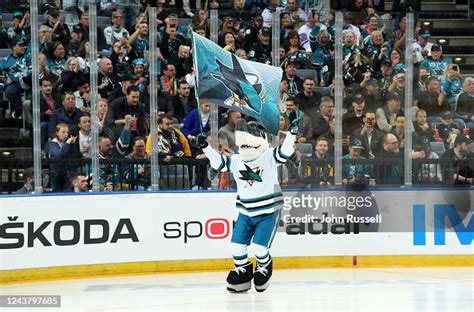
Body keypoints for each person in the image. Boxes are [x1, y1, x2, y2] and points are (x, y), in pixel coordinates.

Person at [197, 119, 296, 293]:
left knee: (259, 248)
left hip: (268, 211)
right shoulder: (236, 160)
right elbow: (219, 162)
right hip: (245, 211)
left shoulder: (268, 157)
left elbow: (285, 152)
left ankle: (264, 265)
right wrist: (205, 147)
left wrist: (292, 135)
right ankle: (243, 272)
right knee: (236, 246)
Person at [49, 123, 80, 192]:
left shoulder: (67, 143)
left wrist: (72, 144)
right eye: (63, 132)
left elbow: (75, 156)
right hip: (56, 174)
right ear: (57, 133)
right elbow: (59, 155)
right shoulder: (53, 143)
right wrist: (68, 143)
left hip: (67, 173)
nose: (66, 135)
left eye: (67, 132)